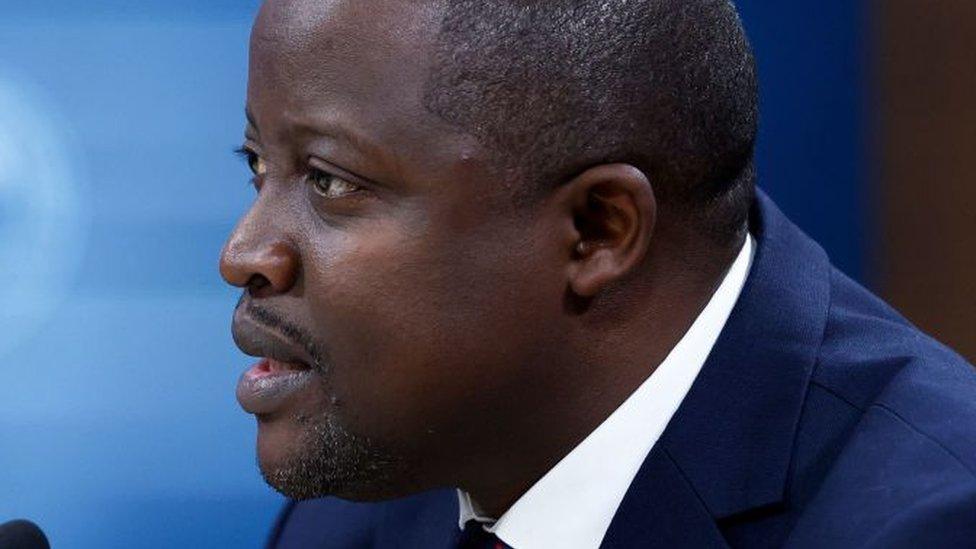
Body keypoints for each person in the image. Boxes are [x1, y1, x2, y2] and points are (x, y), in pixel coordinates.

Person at [218, 0, 976, 547]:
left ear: (597, 231)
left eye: (328, 180)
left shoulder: (928, 519)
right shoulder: (363, 500)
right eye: (257, 166)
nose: (244, 253)